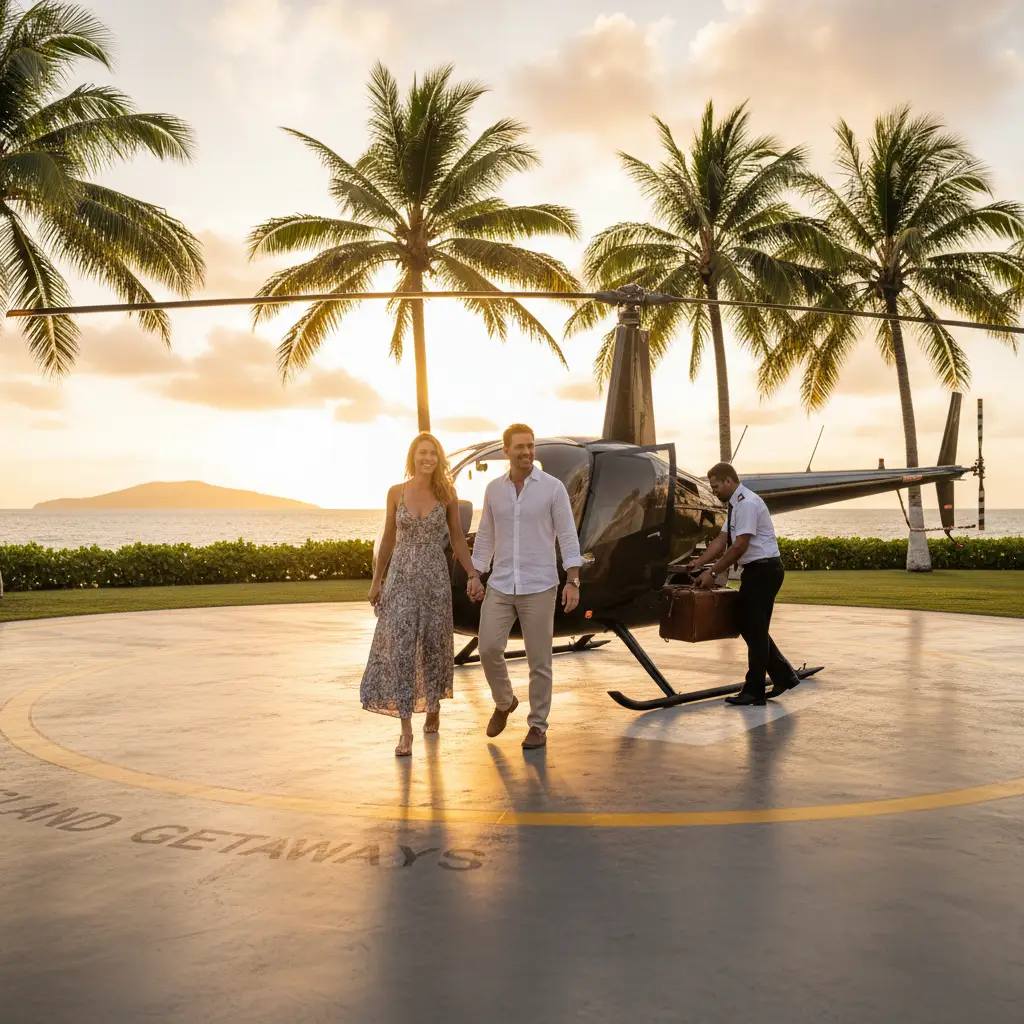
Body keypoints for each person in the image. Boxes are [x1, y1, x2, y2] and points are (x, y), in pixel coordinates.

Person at [361, 433, 484, 756]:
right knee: (401, 649)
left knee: (433, 644)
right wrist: (377, 581)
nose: (427, 458)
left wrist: (472, 573)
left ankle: (433, 705)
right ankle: (405, 731)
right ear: (413, 457)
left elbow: (457, 538)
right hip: (400, 577)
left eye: (433, 453)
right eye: (422, 452)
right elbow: (388, 537)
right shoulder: (395, 493)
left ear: (438, 458)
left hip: (434, 578)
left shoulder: (447, 494)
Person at [471, 424, 582, 749]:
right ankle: (505, 702)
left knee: (539, 661)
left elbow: (567, 534)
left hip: (540, 585)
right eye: (519, 446)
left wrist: (572, 579)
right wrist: (475, 574)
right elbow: (486, 535)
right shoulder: (493, 490)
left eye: (530, 446)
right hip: (501, 583)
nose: (526, 452)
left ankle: (538, 726)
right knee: (488, 647)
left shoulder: (552, 488)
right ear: (506, 451)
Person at [685, 462, 801, 707]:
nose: (713, 491)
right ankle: (784, 675)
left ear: (729, 481)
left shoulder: (747, 504)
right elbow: (722, 539)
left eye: (716, 486)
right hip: (757, 571)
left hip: (764, 570)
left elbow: (740, 546)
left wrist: (713, 572)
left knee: (754, 631)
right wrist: (699, 563)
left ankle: (754, 691)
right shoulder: (735, 504)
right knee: (751, 628)